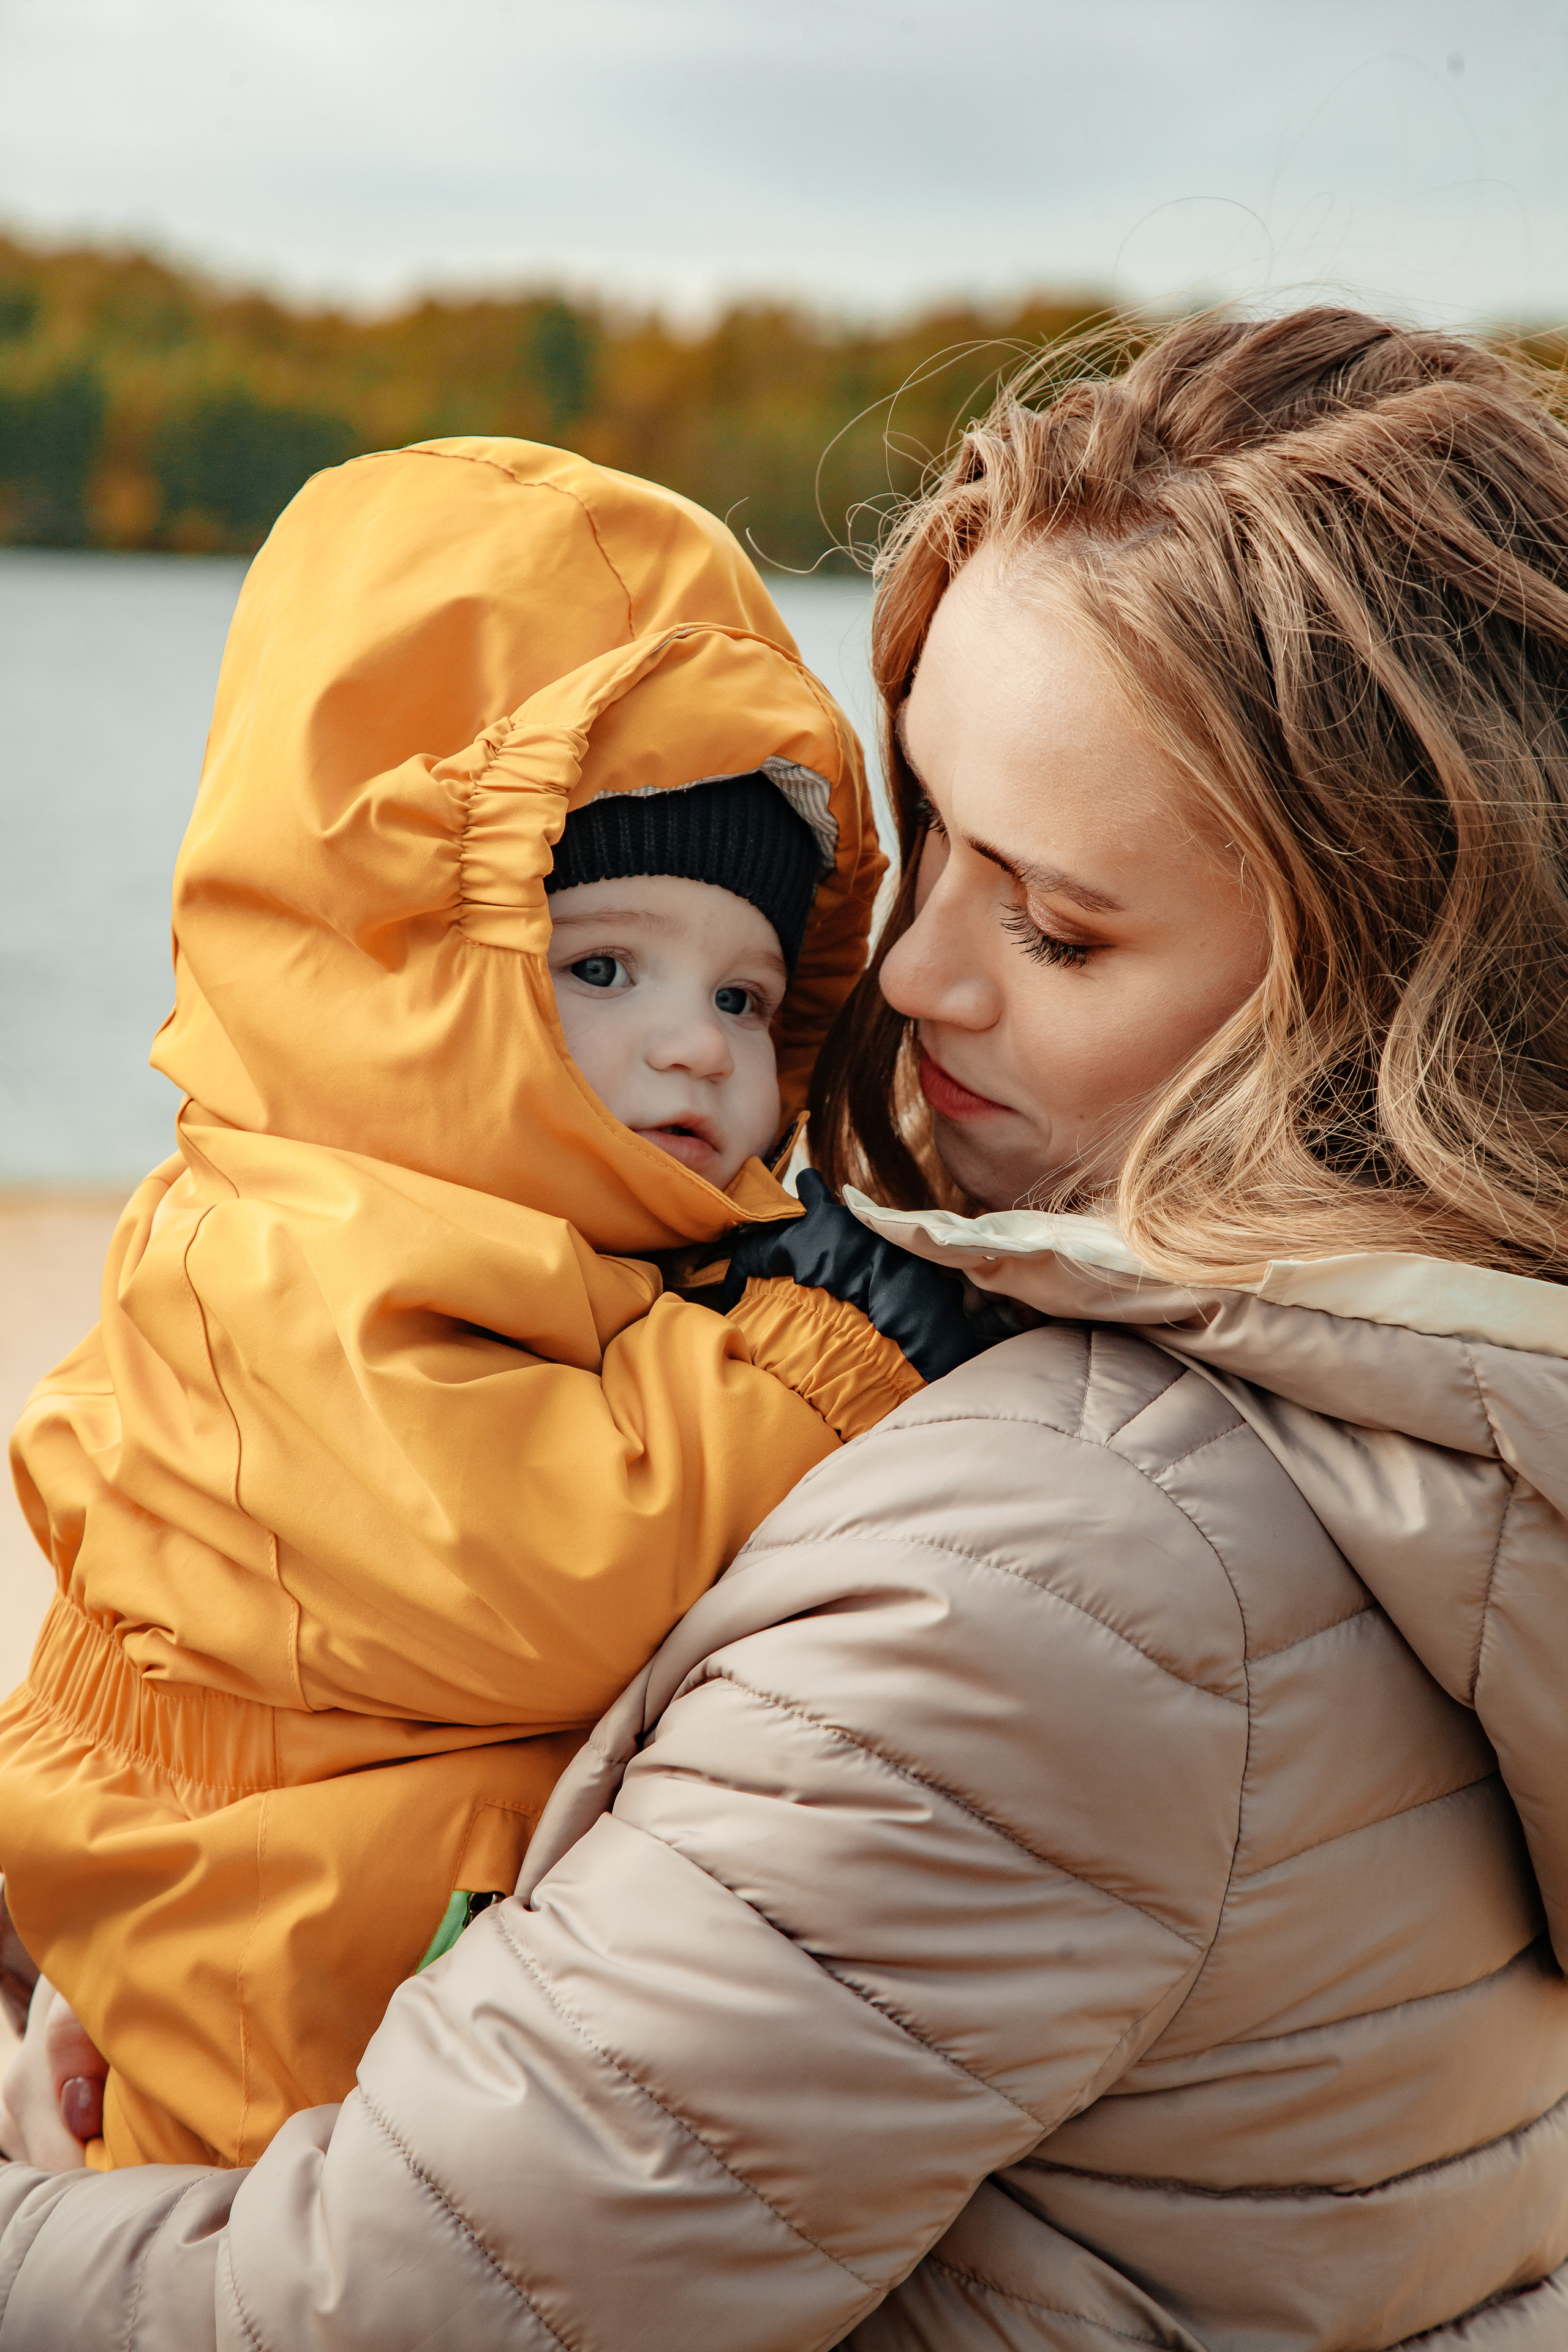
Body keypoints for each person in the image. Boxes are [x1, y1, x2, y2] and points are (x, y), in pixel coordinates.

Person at [4, 304, 1568, 2350]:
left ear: (1386, 982)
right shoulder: (1443, 1416)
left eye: (1058, 923)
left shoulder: (1069, 1578)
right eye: (921, 840)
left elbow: (364, 2314)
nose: (906, 977)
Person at [0, 436, 981, 2173]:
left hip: (361, 1916)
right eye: (602, 968)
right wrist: (832, 1348)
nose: (694, 1039)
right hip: (256, 1939)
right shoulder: (294, 1244)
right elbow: (528, 1560)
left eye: (748, 994)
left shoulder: (567, 1220)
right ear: (389, 964)